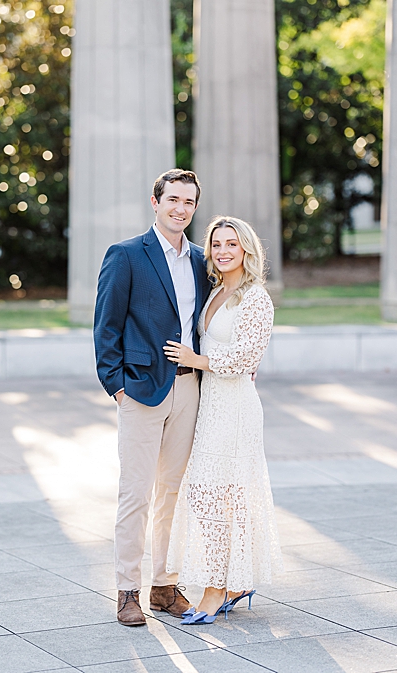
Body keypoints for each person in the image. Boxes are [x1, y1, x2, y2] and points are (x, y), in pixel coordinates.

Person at [94, 169, 211, 626]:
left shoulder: (202, 260)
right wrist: (116, 386)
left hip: (188, 388)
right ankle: (127, 591)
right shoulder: (125, 255)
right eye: (173, 200)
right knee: (136, 494)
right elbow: (106, 326)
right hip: (140, 390)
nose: (181, 209)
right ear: (156, 201)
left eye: (189, 202)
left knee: (173, 495)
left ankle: (164, 585)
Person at [163, 215, 283, 625]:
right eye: (216, 244)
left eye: (232, 244)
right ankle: (233, 581)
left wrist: (197, 360)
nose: (223, 251)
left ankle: (216, 589)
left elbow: (247, 357)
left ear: (246, 249)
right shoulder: (216, 291)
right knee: (207, 494)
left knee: (223, 497)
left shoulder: (255, 298)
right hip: (210, 403)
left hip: (235, 408)